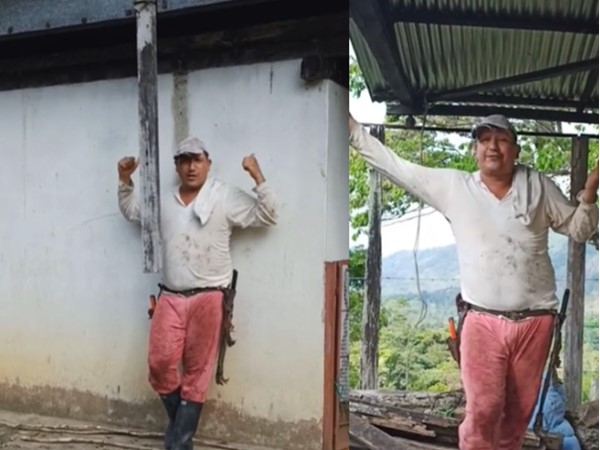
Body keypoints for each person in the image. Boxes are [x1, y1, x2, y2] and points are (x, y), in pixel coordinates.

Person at [348, 113, 599, 450]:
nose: (492, 146)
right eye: (484, 139)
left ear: (516, 149)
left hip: (536, 321)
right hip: (481, 320)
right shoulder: (455, 187)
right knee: (483, 410)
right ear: (474, 150)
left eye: (501, 139)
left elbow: (579, 229)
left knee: (517, 416)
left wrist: (589, 194)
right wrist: (350, 128)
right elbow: (395, 165)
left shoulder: (537, 186)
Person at [117, 137, 278, 450]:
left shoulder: (224, 196)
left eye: (197, 160)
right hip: (171, 295)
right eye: (184, 160)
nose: (191, 167)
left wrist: (258, 176)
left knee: (197, 371)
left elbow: (268, 215)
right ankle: (180, 436)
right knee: (160, 363)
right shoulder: (163, 200)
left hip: (209, 296)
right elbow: (132, 210)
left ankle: (179, 442)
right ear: (177, 165)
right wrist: (125, 179)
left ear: (208, 163)